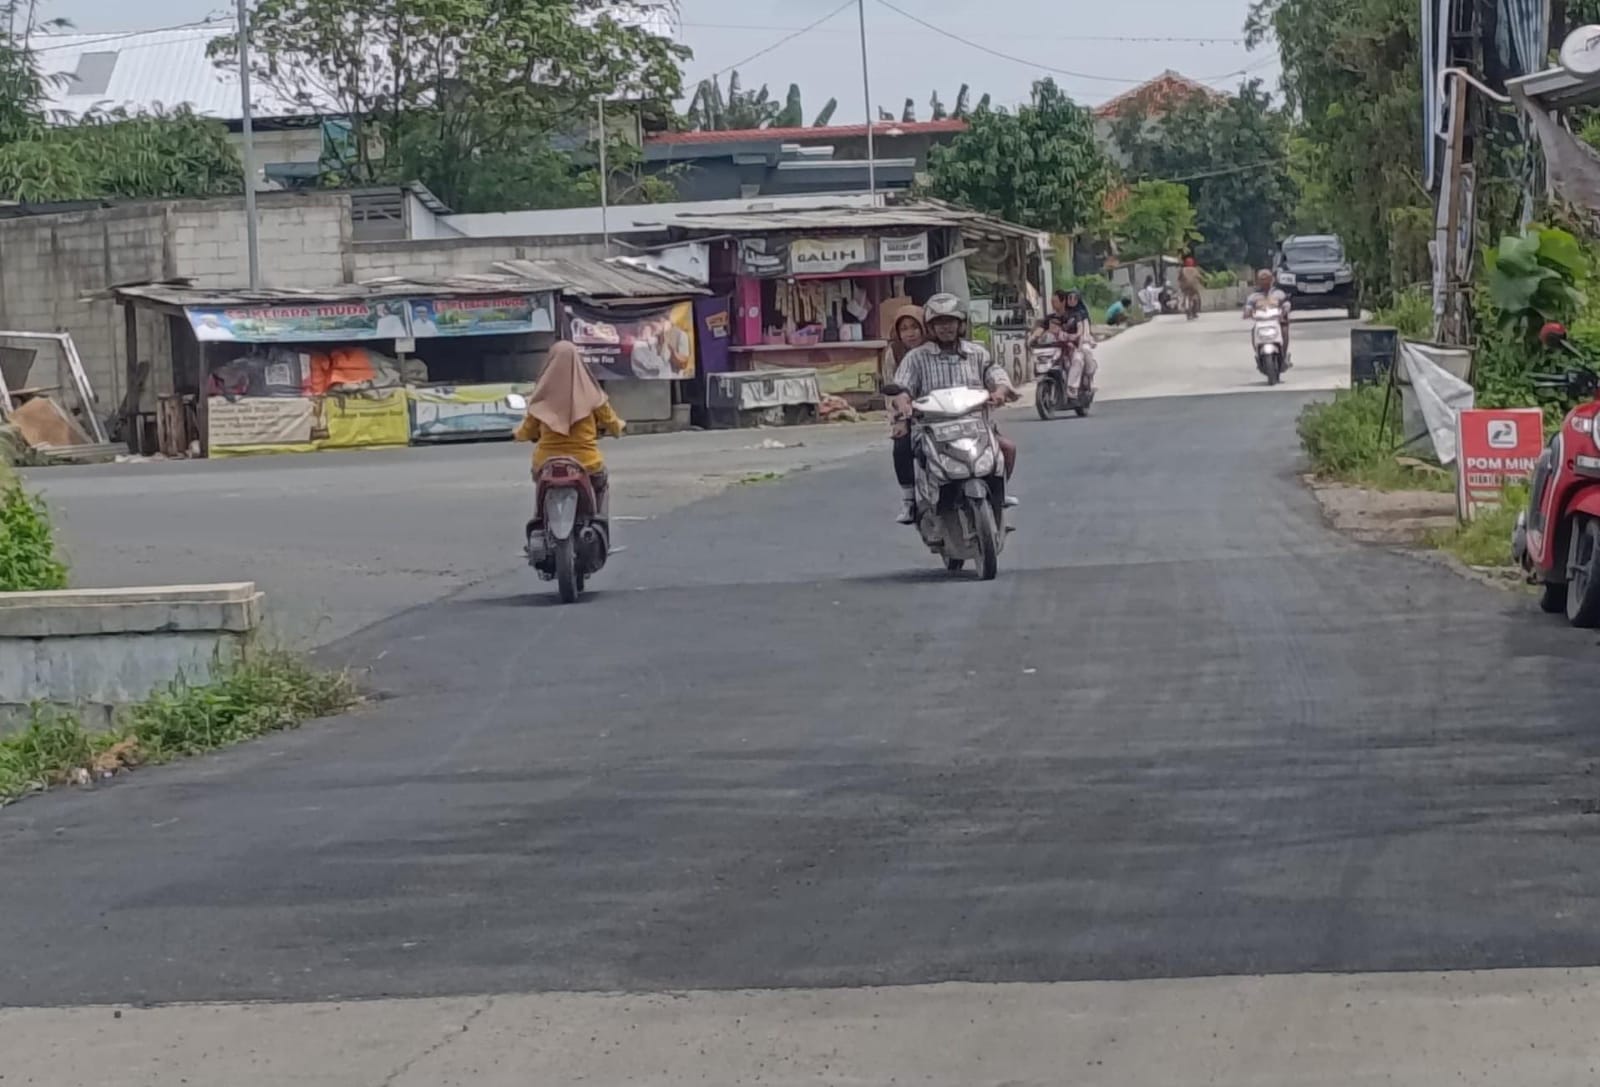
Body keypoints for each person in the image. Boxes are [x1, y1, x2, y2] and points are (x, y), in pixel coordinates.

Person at [889, 293, 1019, 524]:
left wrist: (999, 391)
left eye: (950, 321)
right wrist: (903, 401)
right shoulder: (917, 357)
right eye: (939, 322)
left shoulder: (977, 353)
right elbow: (902, 385)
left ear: (960, 324)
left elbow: (995, 373)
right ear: (931, 326)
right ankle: (910, 500)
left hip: (976, 425)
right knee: (907, 449)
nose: (945, 327)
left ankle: (999, 495)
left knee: (1007, 448)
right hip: (931, 427)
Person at [514, 341, 626, 505]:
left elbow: (526, 431)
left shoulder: (540, 400)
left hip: (546, 465)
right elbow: (611, 422)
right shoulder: (593, 396)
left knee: (540, 488)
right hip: (587, 463)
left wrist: (517, 434)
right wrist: (619, 428)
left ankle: (540, 518)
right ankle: (599, 520)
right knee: (601, 486)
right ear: (578, 362)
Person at [1243, 268, 1292, 367]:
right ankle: (1258, 355)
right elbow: (1248, 306)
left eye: (1267, 279)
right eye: (1262, 279)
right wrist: (1247, 312)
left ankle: (1283, 355)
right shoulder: (1254, 296)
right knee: (1253, 331)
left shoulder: (1278, 293)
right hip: (1261, 322)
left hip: (1276, 321)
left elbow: (1286, 303)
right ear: (1258, 281)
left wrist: (1285, 310)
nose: (1265, 282)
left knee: (1285, 330)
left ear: (1272, 279)